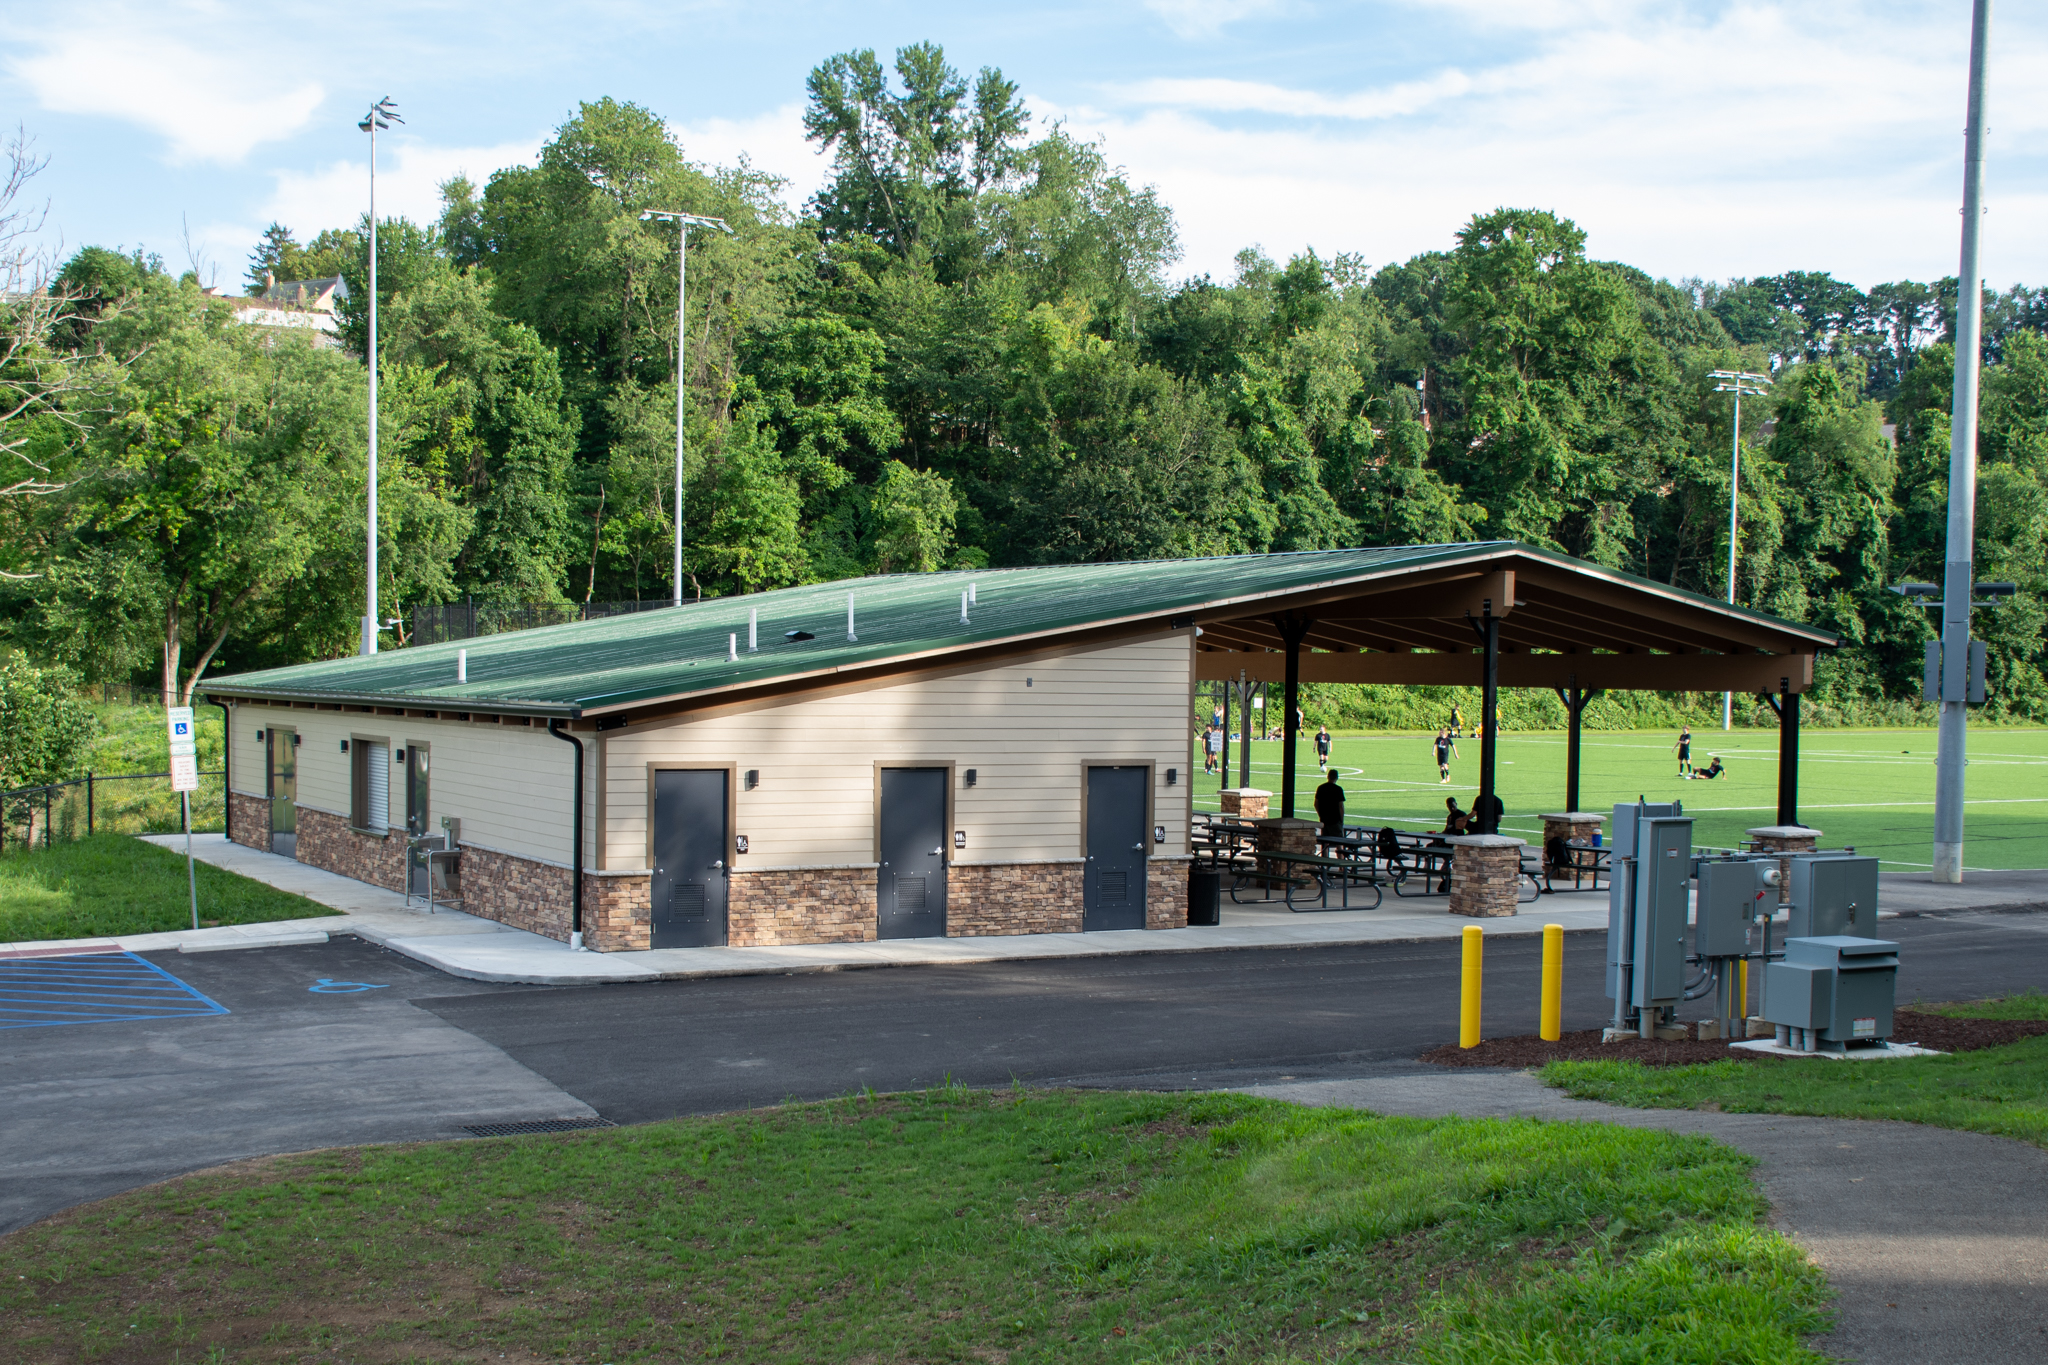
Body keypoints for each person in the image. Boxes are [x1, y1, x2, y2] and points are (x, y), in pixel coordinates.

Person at [1314, 768, 1345, 838]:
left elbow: (1316, 804)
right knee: (1338, 840)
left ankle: (1325, 849)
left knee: (1325, 840)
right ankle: (1339, 849)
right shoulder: (1338, 789)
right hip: (1335, 820)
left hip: (1324, 819)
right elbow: (1341, 806)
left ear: (1327, 776)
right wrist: (1341, 820)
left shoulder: (1321, 788)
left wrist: (1320, 814)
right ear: (1337, 778)